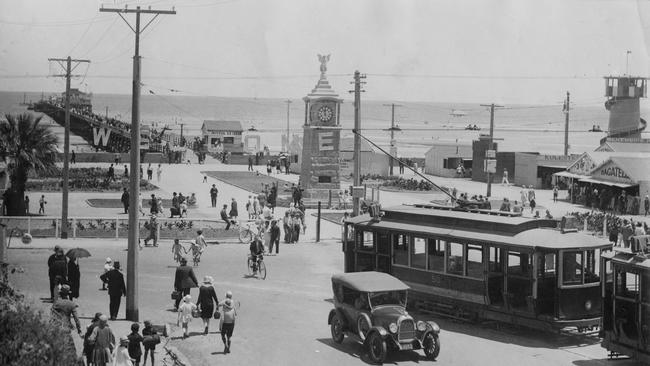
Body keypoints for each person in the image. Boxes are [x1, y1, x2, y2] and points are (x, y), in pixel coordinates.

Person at [50, 285, 83, 351]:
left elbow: (52, 315)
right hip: (66, 327)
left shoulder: (56, 303)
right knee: (70, 348)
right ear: (68, 293)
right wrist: (79, 329)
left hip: (57, 326)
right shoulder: (71, 304)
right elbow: (76, 319)